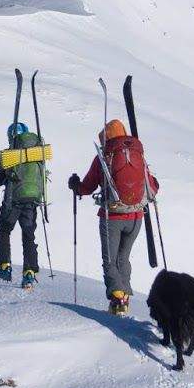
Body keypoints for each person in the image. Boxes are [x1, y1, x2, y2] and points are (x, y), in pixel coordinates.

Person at [68, 119, 158, 315]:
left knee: (109, 260)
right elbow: (152, 186)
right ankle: (124, 298)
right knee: (123, 258)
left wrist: (75, 185)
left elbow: (87, 187)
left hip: (112, 217)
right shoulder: (137, 155)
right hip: (136, 216)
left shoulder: (104, 157)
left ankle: (117, 299)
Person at [0, 121, 45, 288]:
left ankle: (5, 266)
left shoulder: (9, 154)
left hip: (13, 200)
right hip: (32, 200)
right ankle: (29, 272)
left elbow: (2, 177)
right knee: (29, 235)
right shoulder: (37, 152)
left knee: (4, 231)